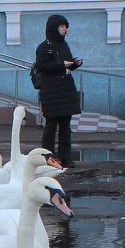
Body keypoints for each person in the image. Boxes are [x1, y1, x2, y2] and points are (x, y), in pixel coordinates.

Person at [35, 14, 82, 167]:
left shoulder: (64, 45)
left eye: (65, 27)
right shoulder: (44, 47)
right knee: (51, 125)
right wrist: (63, 65)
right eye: (62, 26)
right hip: (51, 91)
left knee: (65, 126)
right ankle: (48, 158)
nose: (64, 29)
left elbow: (66, 64)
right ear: (54, 28)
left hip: (65, 89)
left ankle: (66, 157)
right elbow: (42, 67)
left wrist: (75, 64)